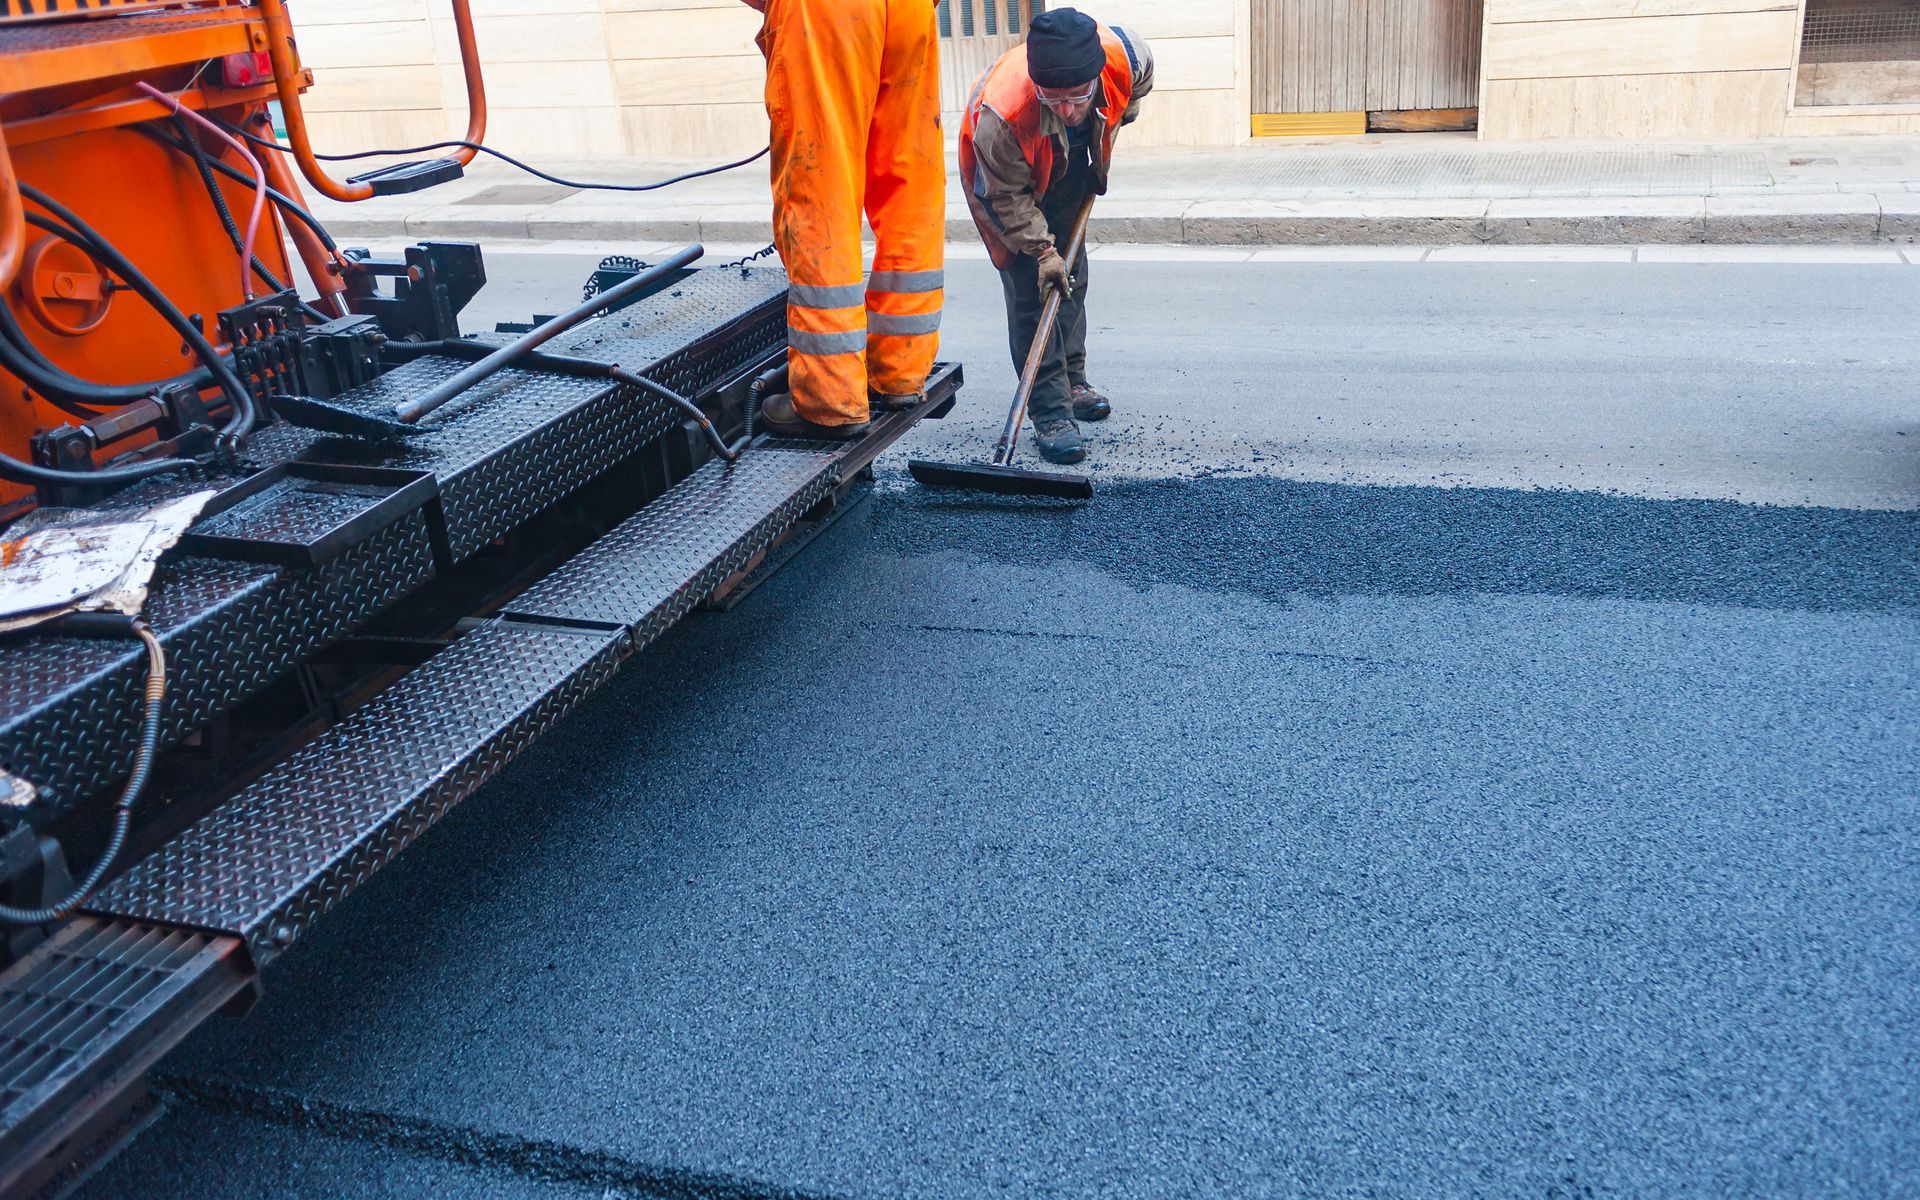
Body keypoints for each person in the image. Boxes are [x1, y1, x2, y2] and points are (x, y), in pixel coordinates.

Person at [741, 0, 945, 439]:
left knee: (823, 189)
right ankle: (899, 371)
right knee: (909, 179)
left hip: (825, 13)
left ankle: (830, 399)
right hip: (911, 11)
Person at [959, 8, 1152, 465]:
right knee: (1036, 290)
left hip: (1067, 169)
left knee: (1073, 281)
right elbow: (1007, 196)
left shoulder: (1125, 57)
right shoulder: (1003, 115)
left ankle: (1074, 382)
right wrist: (1043, 251)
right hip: (1004, 186)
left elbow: (1139, 83)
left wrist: (1122, 112)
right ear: (1036, 83)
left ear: (1096, 77)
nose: (1066, 109)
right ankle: (1051, 413)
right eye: (1053, 98)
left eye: (1076, 97)